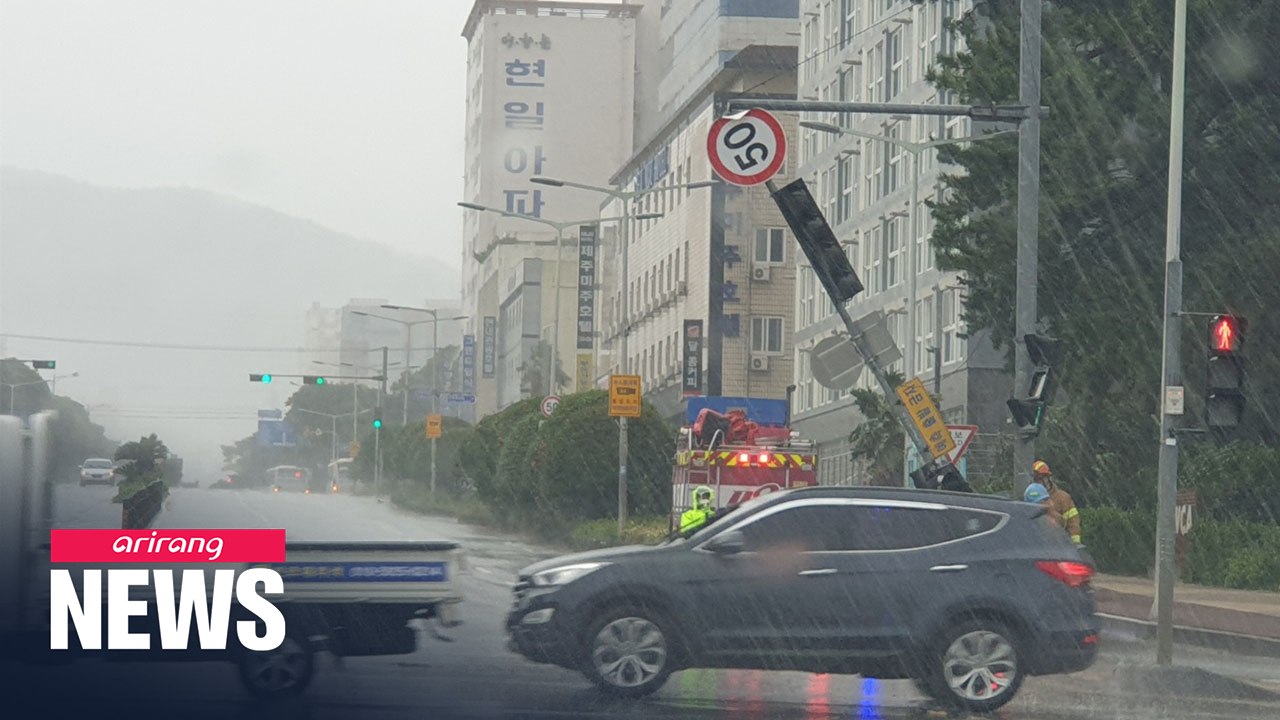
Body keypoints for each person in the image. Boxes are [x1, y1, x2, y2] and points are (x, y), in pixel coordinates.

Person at [1033, 460, 1081, 545]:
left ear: (1048, 478)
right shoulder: (1028, 497)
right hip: (1036, 545)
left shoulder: (1063, 498)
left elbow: (1073, 523)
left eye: (1041, 478)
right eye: (1036, 479)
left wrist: (1075, 545)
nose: (1039, 483)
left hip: (1059, 546)